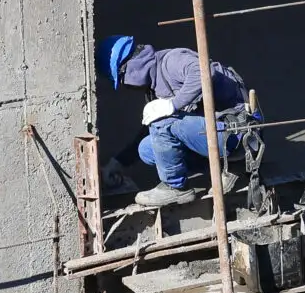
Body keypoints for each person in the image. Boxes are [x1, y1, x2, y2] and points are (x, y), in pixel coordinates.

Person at [100, 35, 257, 205]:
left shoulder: (170, 61)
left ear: (130, 67)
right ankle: (227, 167)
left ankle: (176, 188)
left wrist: (174, 105)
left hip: (238, 134)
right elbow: (155, 130)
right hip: (217, 137)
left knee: (162, 123)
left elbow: (204, 71)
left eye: (122, 79)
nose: (126, 85)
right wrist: (118, 162)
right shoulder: (155, 86)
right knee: (146, 148)